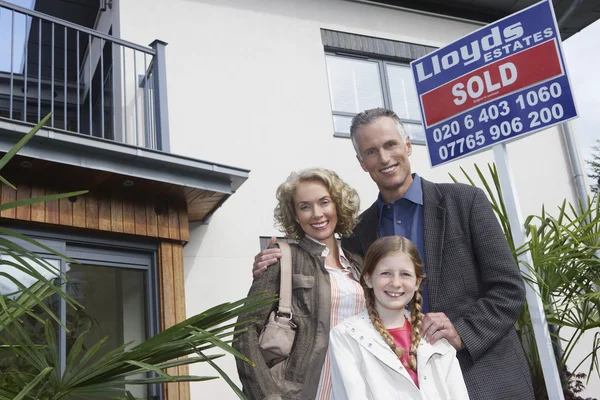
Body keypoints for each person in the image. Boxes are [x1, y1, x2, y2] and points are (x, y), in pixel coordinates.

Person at [253, 108, 534, 399]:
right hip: (400, 385)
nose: (384, 158)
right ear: (362, 163)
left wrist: (463, 332)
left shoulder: (465, 202)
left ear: (408, 145)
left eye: (390, 145)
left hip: (484, 376)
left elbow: (509, 289)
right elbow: (330, 280)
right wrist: (277, 262)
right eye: (371, 151)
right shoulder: (358, 234)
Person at [234, 168, 365, 400]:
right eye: (305, 206)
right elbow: (245, 334)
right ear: (295, 215)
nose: (317, 214)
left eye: (324, 202)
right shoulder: (282, 258)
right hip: (299, 392)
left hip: (355, 387)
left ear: (337, 205)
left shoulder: (358, 266)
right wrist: (266, 395)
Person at [329, 236, 469, 400]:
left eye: (405, 274)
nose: (395, 283)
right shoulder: (345, 336)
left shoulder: (435, 332)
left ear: (417, 282)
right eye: (386, 273)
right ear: (368, 279)